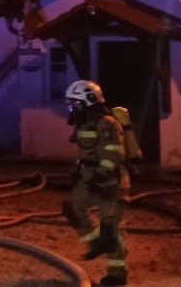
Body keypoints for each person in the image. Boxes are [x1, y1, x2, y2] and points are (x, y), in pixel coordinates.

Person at [62, 80, 129, 285]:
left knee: (110, 229)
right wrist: (79, 174)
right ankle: (95, 244)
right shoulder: (85, 122)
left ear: (89, 101)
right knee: (72, 207)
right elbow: (86, 153)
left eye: (74, 104)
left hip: (112, 181)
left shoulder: (107, 122)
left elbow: (114, 153)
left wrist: (101, 175)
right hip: (90, 177)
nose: (71, 108)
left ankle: (117, 274)